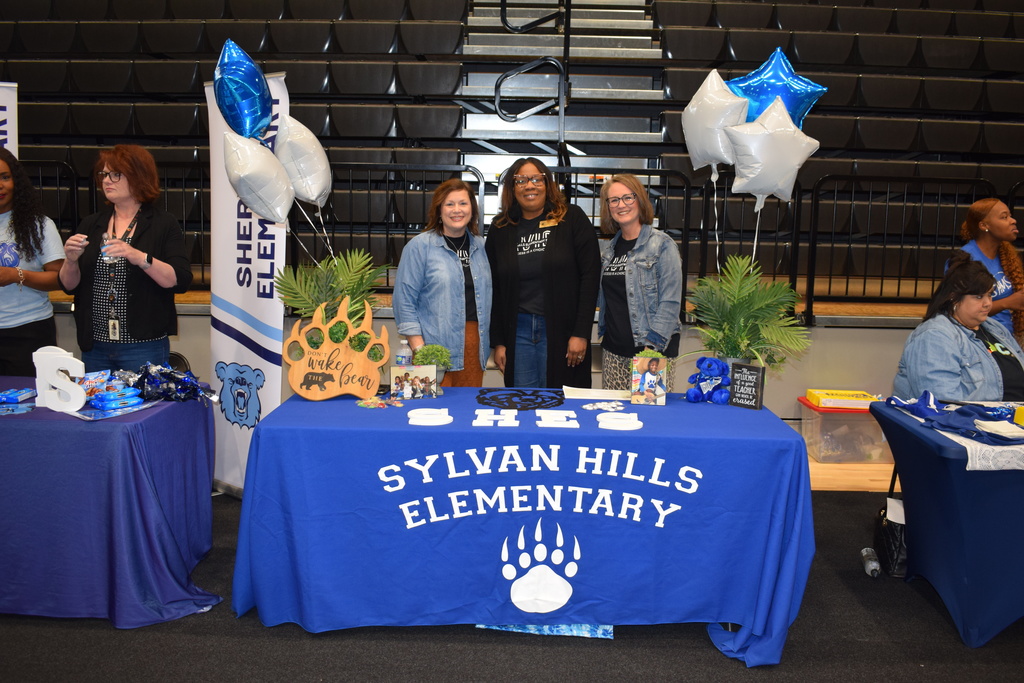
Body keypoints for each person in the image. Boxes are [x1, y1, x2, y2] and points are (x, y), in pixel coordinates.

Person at [59, 145, 193, 373]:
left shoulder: (163, 224)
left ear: (138, 176)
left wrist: (139, 257)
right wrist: (70, 260)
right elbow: (68, 286)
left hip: (142, 344)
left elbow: (179, 280)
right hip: (96, 344)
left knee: (145, 408)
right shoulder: (92, 224)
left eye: (116, 174)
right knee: (97, 407)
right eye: (103, 174)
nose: (106, 180)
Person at [486, 157, 601, 388]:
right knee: (522, 402)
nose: (530, 185)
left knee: (564, 402)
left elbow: (590, 277)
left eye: (537, 179)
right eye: (521, 180)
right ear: (512, 188)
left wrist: (581, 333)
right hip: (517, 331)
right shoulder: (501, 227)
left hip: (564, 329)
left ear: (548, 184)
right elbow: (495, 288)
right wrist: (498, 341)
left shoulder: (572, 218)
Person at [393, 178, 492, 387]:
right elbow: (404, 302)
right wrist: (420, 349)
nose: (457, 210)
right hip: (432, 346)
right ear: (439, 210)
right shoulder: (419, 247)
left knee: (466, 411)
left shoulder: (482, 247)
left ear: (472, 210)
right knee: (429, 412)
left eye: (463, 203)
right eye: (450, 204)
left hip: (474, 346)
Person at [894, 250, 1024, 402]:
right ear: (954, 298)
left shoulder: (996, 328)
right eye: (978, 297)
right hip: (968, 422)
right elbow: (941, 402)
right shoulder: (935, 336)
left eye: (989, 295)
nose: (988, 303)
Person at [596, 173, 683, 391]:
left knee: (651, 421)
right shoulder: (609, 251)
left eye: (628, 197)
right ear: (608, 207)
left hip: (650, 353)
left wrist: (650, 351)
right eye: (614, 200)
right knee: (614, 419)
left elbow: (671, 302)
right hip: (614, 351)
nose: (621, 205)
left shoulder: (662, 245)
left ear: (640, 200)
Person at [0, 149, 65, 376]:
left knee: (28, 407)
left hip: (28, 331)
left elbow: (59, 278)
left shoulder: (38, 224)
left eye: (5, 177)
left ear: (16, 181)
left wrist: (17, 275)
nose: (0, 185)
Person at [956, 198, 1024, 342]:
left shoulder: (1006, 255)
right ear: (984, 225)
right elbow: (960, 310)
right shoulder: (967, 259)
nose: (1012, 221)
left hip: (1007, 336)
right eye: (1004, 217)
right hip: (979, 338)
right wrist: (1008, 302)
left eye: (1010, 216)